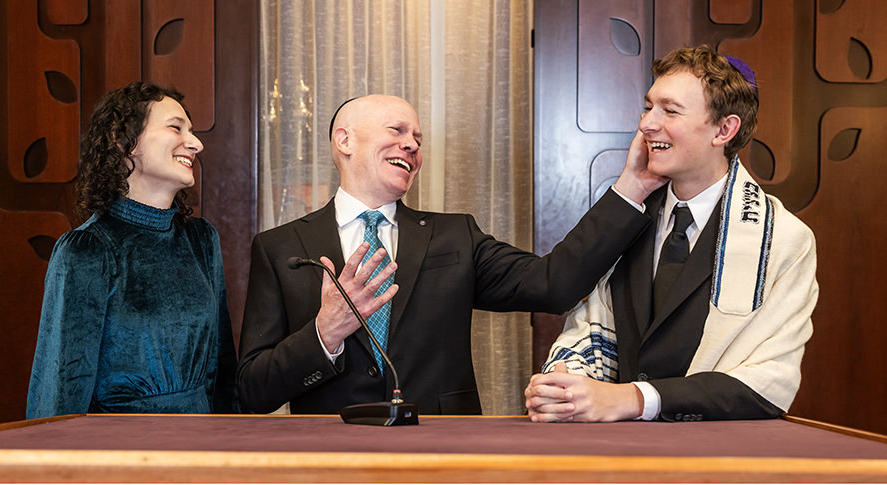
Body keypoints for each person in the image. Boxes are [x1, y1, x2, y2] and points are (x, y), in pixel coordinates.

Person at [237, 94, 639, 415]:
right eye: (397, 130)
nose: (411, 144)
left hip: (443, 451)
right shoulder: (281, 249)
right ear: (345, 141)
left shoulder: (455, 237)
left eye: (417, 139)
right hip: (328, 461)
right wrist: (324, 334)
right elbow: (253, 391)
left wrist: (632, 188)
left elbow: (555, 283)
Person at [525, 46, 818, 422]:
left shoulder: (784, 240)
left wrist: (635, 398)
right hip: (618, 446)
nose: (647, 124)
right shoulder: (629, 219)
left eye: (670, 110)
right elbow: (591, 325)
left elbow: (769, 382)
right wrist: (564, 388)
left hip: (717, 449)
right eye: (648, 107)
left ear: (724, 130)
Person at [27, 82, 238, 418]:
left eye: (192, 131)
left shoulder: (201, 240)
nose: (196, 143)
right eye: (176, 128)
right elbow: (63, 386)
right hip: (121, 444)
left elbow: (222, 370)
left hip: (203, 440)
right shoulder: (87, 249)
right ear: (124, 141)